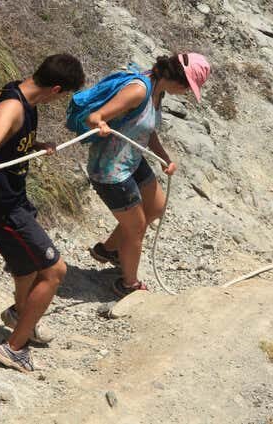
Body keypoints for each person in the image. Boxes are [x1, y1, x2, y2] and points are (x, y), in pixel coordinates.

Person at [0, 54, 85, 373]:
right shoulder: (14, 106)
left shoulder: (23, 94)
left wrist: (34, 146)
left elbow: (9, 141)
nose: (60, 101)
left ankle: (21, 315)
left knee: (26, 266)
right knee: (54, 270)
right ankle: (13, 348)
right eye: (64, 96)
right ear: (57, 88)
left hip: (12, 199)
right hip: (1, 205)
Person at [86, 53, 210, 297]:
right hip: (110, 169)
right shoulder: (139, 90)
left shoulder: (157, 91)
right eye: (188, 88)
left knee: (156, 206)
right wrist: (100, 123)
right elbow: (94, 117)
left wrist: (165, 158)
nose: (186, 93)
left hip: (131, 159)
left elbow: (148, 129)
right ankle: (127, 284)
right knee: (136, 228)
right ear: (179, 80)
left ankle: (108, 251)